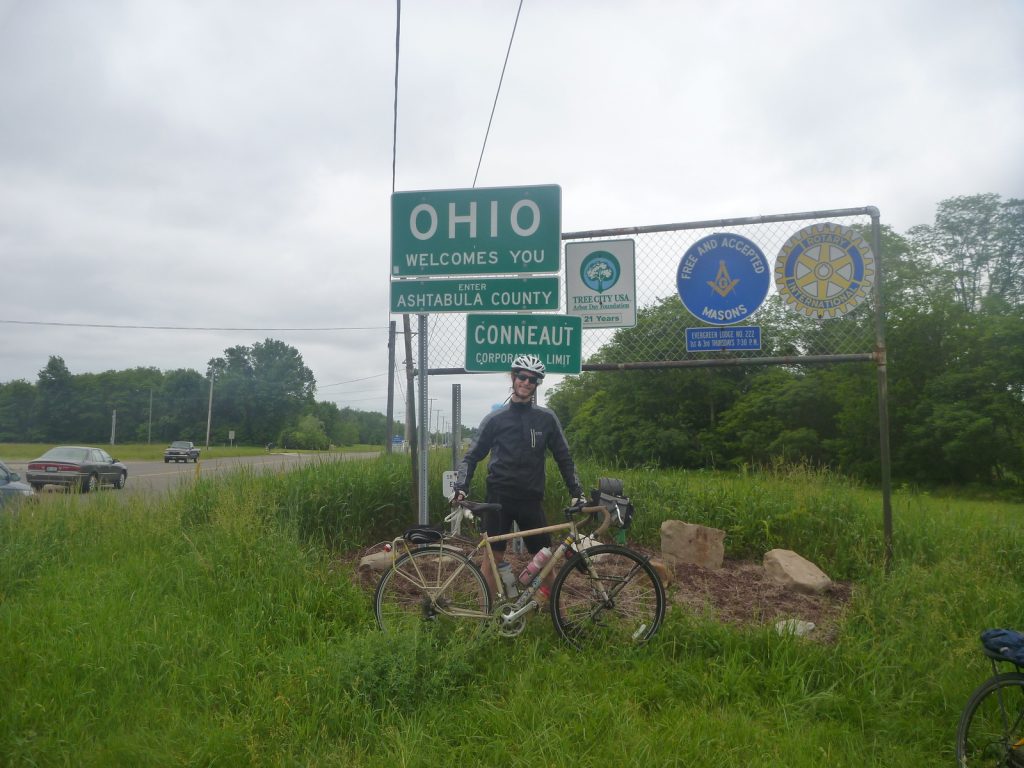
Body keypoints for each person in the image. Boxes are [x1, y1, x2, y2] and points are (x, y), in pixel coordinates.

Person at [453, 352, 586, 601]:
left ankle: (560, 618)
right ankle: (488, 618)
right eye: (522, 377)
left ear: (537, 384)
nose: (526, 382)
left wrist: (577, 492)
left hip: (530, 499)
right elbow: (472, 456)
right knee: (493, 560)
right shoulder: (496, 418)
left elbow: (564, 457)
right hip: (499, 498)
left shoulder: (546, 418)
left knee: (546, 558)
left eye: (533, 379)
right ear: (513, 378)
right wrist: (461, 486)